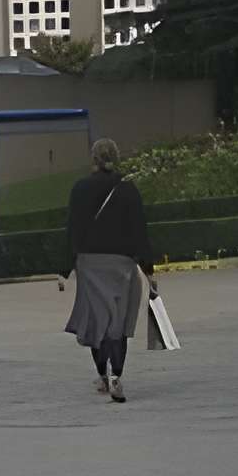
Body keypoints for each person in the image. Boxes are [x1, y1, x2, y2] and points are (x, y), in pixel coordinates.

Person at [62, 139, 156, 402]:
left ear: (93, 159)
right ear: (117, 157)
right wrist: (149, 270)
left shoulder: (80, 189)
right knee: (118, 324)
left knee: (97, 323)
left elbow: (72, 231)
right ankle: (117, 376)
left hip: (89, 266)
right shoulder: (128, 190)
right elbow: (139, 231)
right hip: (122, 266)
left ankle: (102, 375)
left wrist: (64, 268)